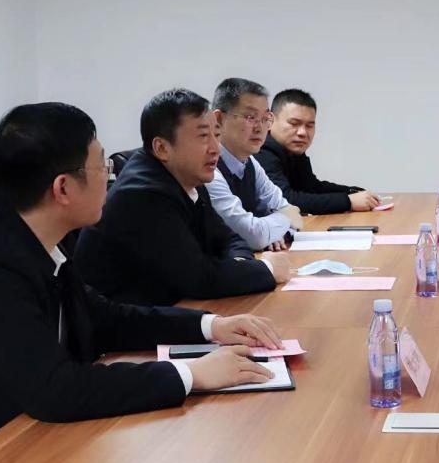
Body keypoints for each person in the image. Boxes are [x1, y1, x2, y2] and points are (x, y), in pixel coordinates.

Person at [0, 103, 286, 463]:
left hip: (28, 438)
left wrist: (211, 327)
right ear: (63, 188)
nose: (110, 179)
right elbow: (56, 390)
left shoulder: (30, 235)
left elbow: (104, 317)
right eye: (102, 167)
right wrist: (191, 374)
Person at [75, 88, 290, 305]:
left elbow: (228, 239)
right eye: (203, 136)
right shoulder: (142, 194)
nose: (215, 149)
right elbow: (199, 279)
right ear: (162, 148)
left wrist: (241, 265)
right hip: (127, 320)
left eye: (216, 135)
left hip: (174, 307)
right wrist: (267, 268)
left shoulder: (189, 175)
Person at [207, 78, 303, 251]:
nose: (260, 128)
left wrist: (273, 231)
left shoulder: (250, 162)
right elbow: (254, 236)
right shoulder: (208, 169)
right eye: (250, 117)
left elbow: (289, 210)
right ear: (219, 119)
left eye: (265, 118)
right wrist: (281, 222)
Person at [254, 89, 381, 215]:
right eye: (294, 123)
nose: (303, 132)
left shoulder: (292, 151)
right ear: (270, 121)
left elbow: (311, 187)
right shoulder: (261, 151)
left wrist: (352, 191)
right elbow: (285, 201)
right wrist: (348, 201)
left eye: (309, 125)